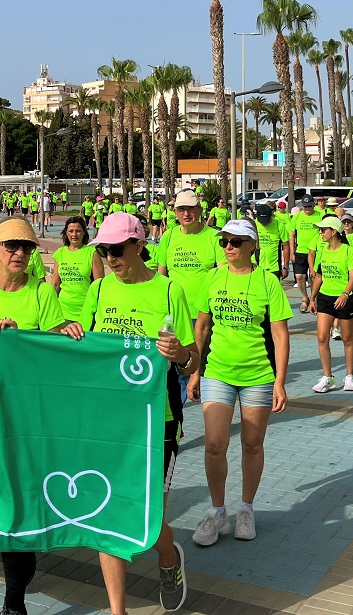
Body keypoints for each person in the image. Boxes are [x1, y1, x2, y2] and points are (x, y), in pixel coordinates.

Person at [0, 217, 80, 615]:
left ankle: (13, 602)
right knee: (3, 496)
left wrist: (36, 333)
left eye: (27, 247)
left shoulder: (40, 292)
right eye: (12, 246)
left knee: (16, 497)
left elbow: (57, 339)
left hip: (25, 414)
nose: (20, 253)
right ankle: (18, 582)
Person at [78, 212, 198, 614]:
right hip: (106, 420)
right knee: (109, 510)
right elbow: (81, 350)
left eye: (117, 249)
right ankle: (118, 610)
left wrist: (181, 354)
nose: (110, 257)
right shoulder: (96, 292)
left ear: (138, 246)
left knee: (148, 514)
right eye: (104, 250)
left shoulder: (168, 291)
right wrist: (66, 334)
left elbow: (191, 360)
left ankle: (168, 558)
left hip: (157, 420)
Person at [189, 219, 292, 546]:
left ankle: (246, 509)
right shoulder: (213, 277)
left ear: (252, 246)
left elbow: (280, 334)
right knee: (215, 444)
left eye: (236, 241)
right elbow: (202, 327)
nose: (229, 247)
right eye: (224, 242)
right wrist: (195, 370)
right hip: (217, 372)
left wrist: (280, 382)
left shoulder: (267, 282)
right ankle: (218, 512)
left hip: (258, 376)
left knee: (251, 444)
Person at [311, 216, 353, 392]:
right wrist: (312, 298)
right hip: (325, 297)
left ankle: (349, 376)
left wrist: (345, 294)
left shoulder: (348, 251)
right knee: (322, 337)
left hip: (345, 298)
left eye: (323, 230)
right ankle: (328, 377)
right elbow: (319, 276)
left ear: (334, 232)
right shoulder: (322, 250)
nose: (320, 233)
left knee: (347, 339)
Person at [156, 189, 222, 321]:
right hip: (173, 312)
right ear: (175, 212)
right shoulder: (168, 236)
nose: (186, 214)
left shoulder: (214, 237)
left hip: (204, 314)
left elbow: (222, 275)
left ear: (200, 210)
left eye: (191, 209)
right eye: (181, 209)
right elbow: (161, 275)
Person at [48, 216, 104, 323]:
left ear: (84, 232)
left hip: (85, 311)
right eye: (71, 231)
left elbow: (99, 286)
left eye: (78, 231)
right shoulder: (60, 253)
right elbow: (55, 284)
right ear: (66, 232)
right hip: (63, 311)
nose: (74, 234)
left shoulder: (92, 253)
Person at [289, 195, 323, 314]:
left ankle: (314, 299)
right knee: (299, 276)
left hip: (315, 251)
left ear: (313, 205)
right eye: (305, 206)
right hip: (301, 251)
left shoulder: (319, 215)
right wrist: (292, 252)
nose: (307, 209)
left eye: (309, 206)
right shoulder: (297, 216)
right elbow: (292, 235)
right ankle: (305, 298)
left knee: (314, 276)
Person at [252, 203, 290, 282]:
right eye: (261, 221)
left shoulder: (278, 224)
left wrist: (286, 267)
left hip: (274, 267)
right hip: (255, 265)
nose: (264, 223)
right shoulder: (253, 225)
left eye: (266, 221)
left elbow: (286, 246)